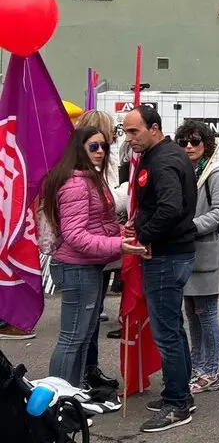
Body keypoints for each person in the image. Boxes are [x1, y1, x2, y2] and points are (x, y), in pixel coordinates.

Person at [41, 126, 146, 387]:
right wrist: (119, 244)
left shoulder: (89, 178)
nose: (100, 151)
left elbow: (96, 225)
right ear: (80, 148)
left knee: (84, 335)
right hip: (77, 267)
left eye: (104, 146)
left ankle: (72, 392)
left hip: (89, 266)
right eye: (93, 146)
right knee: (73, 337)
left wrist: (122, 231)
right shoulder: (76, 183)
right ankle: (59, 396)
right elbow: (75, 235)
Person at [123, 105, 198, 433]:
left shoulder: (164, 160)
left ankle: (177, 404)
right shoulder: (162, 155)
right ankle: (179, 393)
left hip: (166, 257)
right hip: (172, 254)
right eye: (126, 132)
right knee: (173, 327)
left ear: (154, 128)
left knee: (166, 332)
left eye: (134, 131)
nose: (129, 139)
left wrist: (146, 235)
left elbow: (170, 207)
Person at [175, 121, 219, 395]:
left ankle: (211, 371)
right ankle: (198, 367)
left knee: (206, 314)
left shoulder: (216, 173)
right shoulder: (184, 172)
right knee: (191, 314)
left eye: (195, 141)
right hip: (185, 253)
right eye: (184, 141)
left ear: (206, 144)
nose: (189, 146)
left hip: (206, 252)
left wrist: (189, 227)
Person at [74, 109, 128, 389]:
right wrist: (127, 192)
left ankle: (89, 369)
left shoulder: (103, 159)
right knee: (85, 320)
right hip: (93, 248)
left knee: (92, 316)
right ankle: (83, 374)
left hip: (101, 247)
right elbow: (104, 200)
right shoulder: (88, 166)